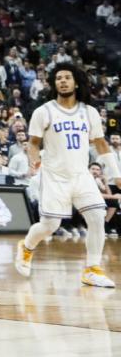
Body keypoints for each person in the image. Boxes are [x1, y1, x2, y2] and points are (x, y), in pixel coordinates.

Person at [14, 63, 119, 288]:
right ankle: (27, 246)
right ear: (54, 84)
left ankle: (92, 269)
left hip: (81, 175)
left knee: (97, 217)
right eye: (58, 78)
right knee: (50, 225)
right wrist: (34, 159)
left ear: (76, 82)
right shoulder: (44, 111)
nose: (62, 81)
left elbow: (101, 144)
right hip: (54, 176)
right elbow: (33, 143)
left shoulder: (89, 112)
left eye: (67, 77)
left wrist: (116, 174)